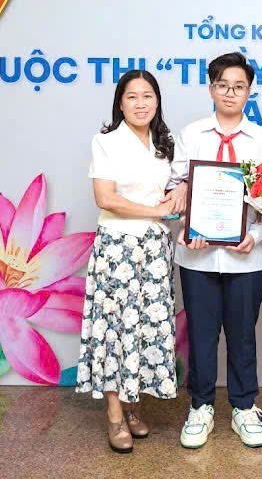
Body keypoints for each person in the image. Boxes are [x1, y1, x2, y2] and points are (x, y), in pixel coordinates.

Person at [76, 69, 187, 454]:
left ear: (157, 101)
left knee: (143, 329)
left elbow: (180, 182)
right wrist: (155, 211)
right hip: (117, 248)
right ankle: (113, 414)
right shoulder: (107, 141)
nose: (141, 104)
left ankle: (133, 405)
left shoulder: (165, 142)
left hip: (154, 249)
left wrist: (182, 190)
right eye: (132, 97)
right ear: (120, 103)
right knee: (114, 330)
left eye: (148, 96)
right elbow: (105, 198)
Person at [169, 52, 262, 449]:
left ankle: (244, 407)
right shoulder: (191, 134)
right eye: (223, 85)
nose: (231, 93)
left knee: (243, 335)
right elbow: (174, 190)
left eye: (239, 86)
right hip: (197, 255)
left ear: (249, 92)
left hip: (247, 257)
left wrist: (257, 234)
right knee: (201, 334)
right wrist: (185, 224)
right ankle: (201, 406)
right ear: (211, 88)